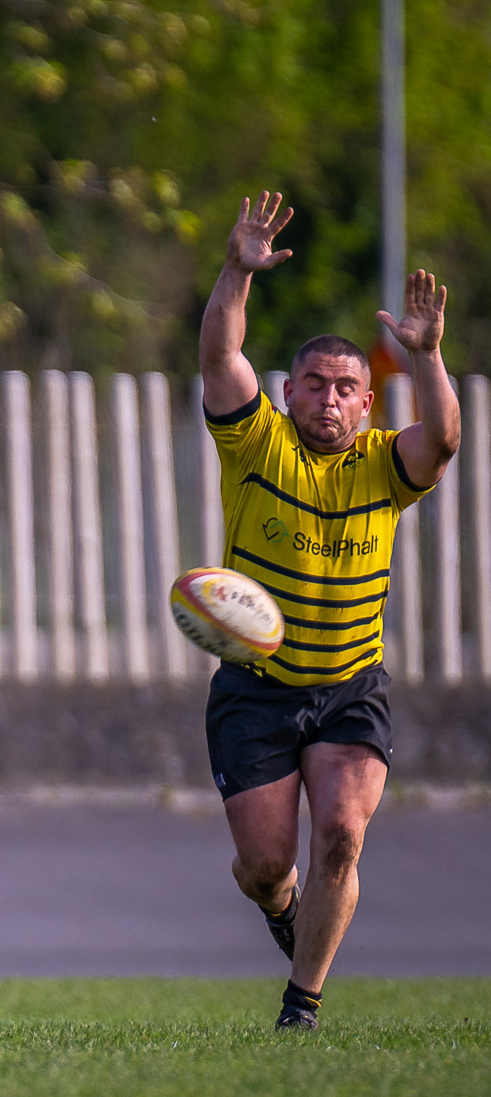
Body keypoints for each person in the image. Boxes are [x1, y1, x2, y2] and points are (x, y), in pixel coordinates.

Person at [198, 192, 458, 1030]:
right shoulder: (256, 443)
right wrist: (238, 269)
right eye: (315, 384)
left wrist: (425, 359)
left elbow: (444, 440)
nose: (331, 399)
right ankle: (279, 903)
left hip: (349, 688)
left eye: (347, 387)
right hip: (257, 690)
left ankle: (300, 1007)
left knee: (342, 833)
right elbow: (218, 354)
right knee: (266, 862)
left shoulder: (385, 466)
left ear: (366, 404)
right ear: (290, 391)